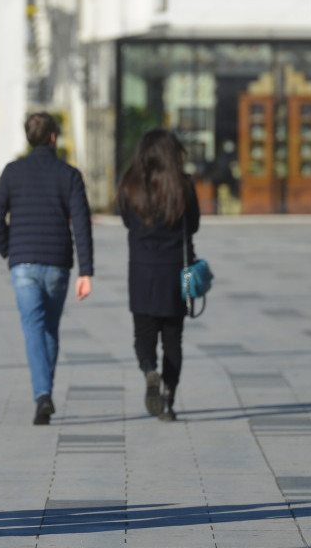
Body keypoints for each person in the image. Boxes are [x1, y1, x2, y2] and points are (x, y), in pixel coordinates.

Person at [0, 112, 93, 425]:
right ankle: (45, 392)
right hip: (58, 263)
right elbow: (83, 224)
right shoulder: (69, 174)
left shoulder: (12, 172)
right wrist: (86, 271)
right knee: (49, 329)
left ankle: (42, 394)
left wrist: (9, 249)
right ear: (53, 137)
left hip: (23, 264)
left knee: (34, 326)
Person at [116, 129, 200, 423]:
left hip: (140, 270)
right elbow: (194, 225)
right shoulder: (183, 185)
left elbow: (126, 220)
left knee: (144, 334)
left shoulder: (130, 184)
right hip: (175, 270)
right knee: (173, 339)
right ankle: (168, 396)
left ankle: (150, 371)